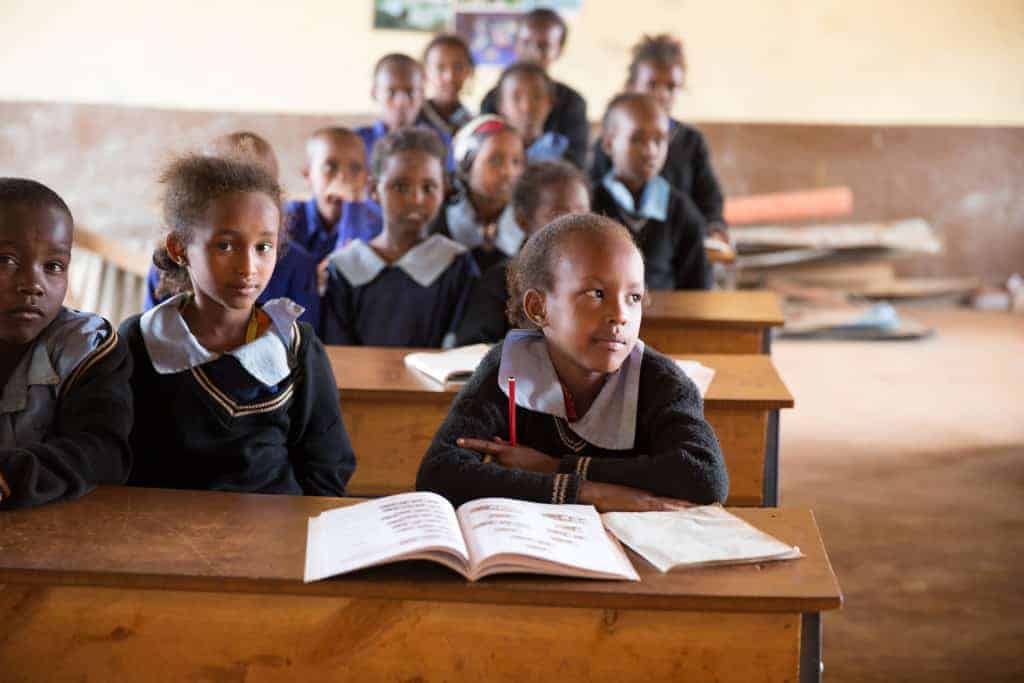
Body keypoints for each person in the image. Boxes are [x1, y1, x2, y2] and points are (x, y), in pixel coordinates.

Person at [417, 213, 727, 510]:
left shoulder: (659, 380)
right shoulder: (509, 369)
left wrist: (556, 467)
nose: (621, 315)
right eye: (596, 293)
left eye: (633, 297)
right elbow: (440, 473)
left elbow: (704, 477)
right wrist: (587, 492)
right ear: (539, 308)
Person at [121, 155, 355, 495]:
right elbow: (119, 463)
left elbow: (328, 466)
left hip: (275, 532)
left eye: (263, 247)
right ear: (179, 249)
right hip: (166, 535)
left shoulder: (294, 345)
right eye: (225, 245)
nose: (248, 267)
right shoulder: (140, 343)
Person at [0, 178, 132, 509]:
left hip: (60, 534)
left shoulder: (87, 347)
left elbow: (105, 452)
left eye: (53, 266)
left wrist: (11, 475)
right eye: (6, 260)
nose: (33, 284)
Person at [321, 128, 478, 347]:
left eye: (428, 187)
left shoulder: (456, 265)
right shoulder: (345, 268)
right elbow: (337, 353)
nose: (416, 198)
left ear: (444, 190)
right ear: (374, 189)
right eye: (400, 186)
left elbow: (459, 349)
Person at [144, 131, 321, 325]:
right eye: (224, 246)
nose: (248, 268)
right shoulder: (164, 266)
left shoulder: (299, 267)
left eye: (259, 183)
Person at [589, 34, 728, 241]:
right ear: (632, 85)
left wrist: (715, 228)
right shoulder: (612, 141)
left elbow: (709, 200)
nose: (662, 94)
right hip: (618, 242)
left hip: (679, 246)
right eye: (652, 85)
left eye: (671, 87)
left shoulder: (692, 141)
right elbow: (594, 196)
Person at [454, 160, 589, 345]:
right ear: (523, 221)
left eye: (582, 214)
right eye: (558, 215)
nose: (574, 225)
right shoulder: (502, 281)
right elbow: (472, 351)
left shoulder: (599, 280)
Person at [591, 93, 712, 289]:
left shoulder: (680, 210)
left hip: (670, 318)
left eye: (659, 140)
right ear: (608, 143)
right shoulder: (588, 204)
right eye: (637, 139)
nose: (651, 151)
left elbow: (699, 290)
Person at [479, 8, 588, 168]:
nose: (533, 53)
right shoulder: (492, 99)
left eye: (544, 46)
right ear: (516, 44)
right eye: (526, 43)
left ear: (559, 50)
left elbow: (575, 165)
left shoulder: (572, 102)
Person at [428, 115, 525, 273]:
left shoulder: (527, 224)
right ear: (466, 164)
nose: (509, 172)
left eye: (516, 161)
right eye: (495, 160)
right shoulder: (439, 221)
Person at [287, 127, 382, 263]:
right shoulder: (286, 220)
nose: (342, 178)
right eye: (330, 167)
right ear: (308, 174)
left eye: (354, 169)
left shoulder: (376, 226)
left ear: (366, 178)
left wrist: (352, 211)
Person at [495, 62, 570, 163]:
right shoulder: (489, 151)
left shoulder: (566, 154)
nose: (527, 107)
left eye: (537, 96)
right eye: (516, 98)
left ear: (550, 103)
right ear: (501, 106)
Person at [420, 33, 475, 137]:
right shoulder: (413, 118)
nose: (450, 77)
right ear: (425, 72)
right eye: (440, 68)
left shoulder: (472, 124)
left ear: (469, 71)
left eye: (458, 67)